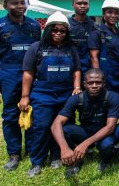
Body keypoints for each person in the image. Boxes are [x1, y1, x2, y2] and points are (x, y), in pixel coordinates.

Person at [19, 11, 81, 177]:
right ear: (47, 30)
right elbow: (28, 73)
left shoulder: (71, 49)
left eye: (62, 31)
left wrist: (76, 87)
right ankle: (37, 161)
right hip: (43, 95)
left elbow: (76, 70)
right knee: (42, 127)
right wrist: (25, 96)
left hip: (65, 95)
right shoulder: (36, 47)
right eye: (55, 30)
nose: (58, 33)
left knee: (64, 127)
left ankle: (56, 156)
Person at [0, 0, 41, 171]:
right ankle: (14, 153)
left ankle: (33, 149)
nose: (20, 5)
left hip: (32, 74)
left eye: (22, 2)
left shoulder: (34, 25)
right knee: (10, 114)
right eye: (14, 2)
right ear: (5, 5)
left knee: (32, 111)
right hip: (9, 74)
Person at [51, 69, 119, 176]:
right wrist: (64, 148)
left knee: (108, 144)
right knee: (64, 130)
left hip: (103, 134)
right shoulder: (76, 98)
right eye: (90, 83)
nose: (94, 85)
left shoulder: (112, 97)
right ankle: (75, 161)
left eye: (98, 82)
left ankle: (105, 161)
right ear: (84, 84)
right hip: (85, 132)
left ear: (104, 83)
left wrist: (85, 144)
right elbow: (56, 123)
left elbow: (110, 127)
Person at [88, 0, 119, 93]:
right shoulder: (97, 33)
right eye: (109, 12)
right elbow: (94, 57)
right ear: (103, 14)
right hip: (105, 77)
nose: (113, 15)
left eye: (116, 13)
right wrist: (98, 79)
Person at [68, 0, 95, 80]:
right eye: (79, 3)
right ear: (73, 5)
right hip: (69, 67)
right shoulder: (66, 25)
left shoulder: (94, 26)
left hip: (88, 69)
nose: (82, 6)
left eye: (85, 3)